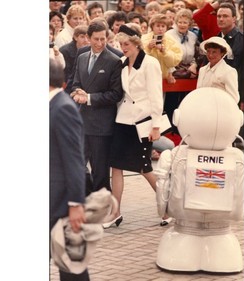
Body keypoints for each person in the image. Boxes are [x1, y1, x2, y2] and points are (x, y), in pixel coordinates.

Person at [103, 23, 172, 228]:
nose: (123, 47)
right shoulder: (122, 62)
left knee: (144, 167)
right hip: (122, 121)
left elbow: (155, 96)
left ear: (136, 44)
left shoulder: (150, 63)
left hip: (143, 123)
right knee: (115, 166)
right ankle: (115, 212)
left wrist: (156, 126)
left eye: (127, 44)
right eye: (121, 44)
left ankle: (167, 209)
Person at [70, 20, 123, 194]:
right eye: (96, 39)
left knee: (100, 171)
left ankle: (103, 208)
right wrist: (76, 92)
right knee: (76, 164)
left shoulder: (114, 61)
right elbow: (75, 82)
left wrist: (89, 98)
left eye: (103, 39)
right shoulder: (82, 56)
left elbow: (116, 94)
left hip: (102, 125)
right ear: (88, 38)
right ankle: (86, 199)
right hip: (82, 121)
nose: (100, 43)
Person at [49, 58, 89, 281]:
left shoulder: (63, 108)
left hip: (61, 203)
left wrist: (76, 204)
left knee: (72, 266)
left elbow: (74, 159)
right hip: (50, 201)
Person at [216, 2, 244, 142]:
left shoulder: (242, 39)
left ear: (234, 18)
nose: (221, 19)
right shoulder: (217, 38)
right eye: (219, 16)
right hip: (219, 91)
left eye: (225, 16)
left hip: (236, 92)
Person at [141, 14, 183, 84]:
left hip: (165, 79)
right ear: (152, 27)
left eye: (163, 26)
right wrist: (148, 48)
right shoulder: (144, 39)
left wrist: (164, 52)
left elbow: (175, 60)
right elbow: (139, 58)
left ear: (166, 27)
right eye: (158, 26)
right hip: (146, 77)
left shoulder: (171, 40)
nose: (160, 29)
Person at [197, 36, 239, 103]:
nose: (210, 55)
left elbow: (234, 98)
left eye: (214, 52)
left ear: (222, 53)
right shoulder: (202, 70)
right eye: (208, 51)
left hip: (220, 110)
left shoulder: (229, 71)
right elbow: (198, 92)